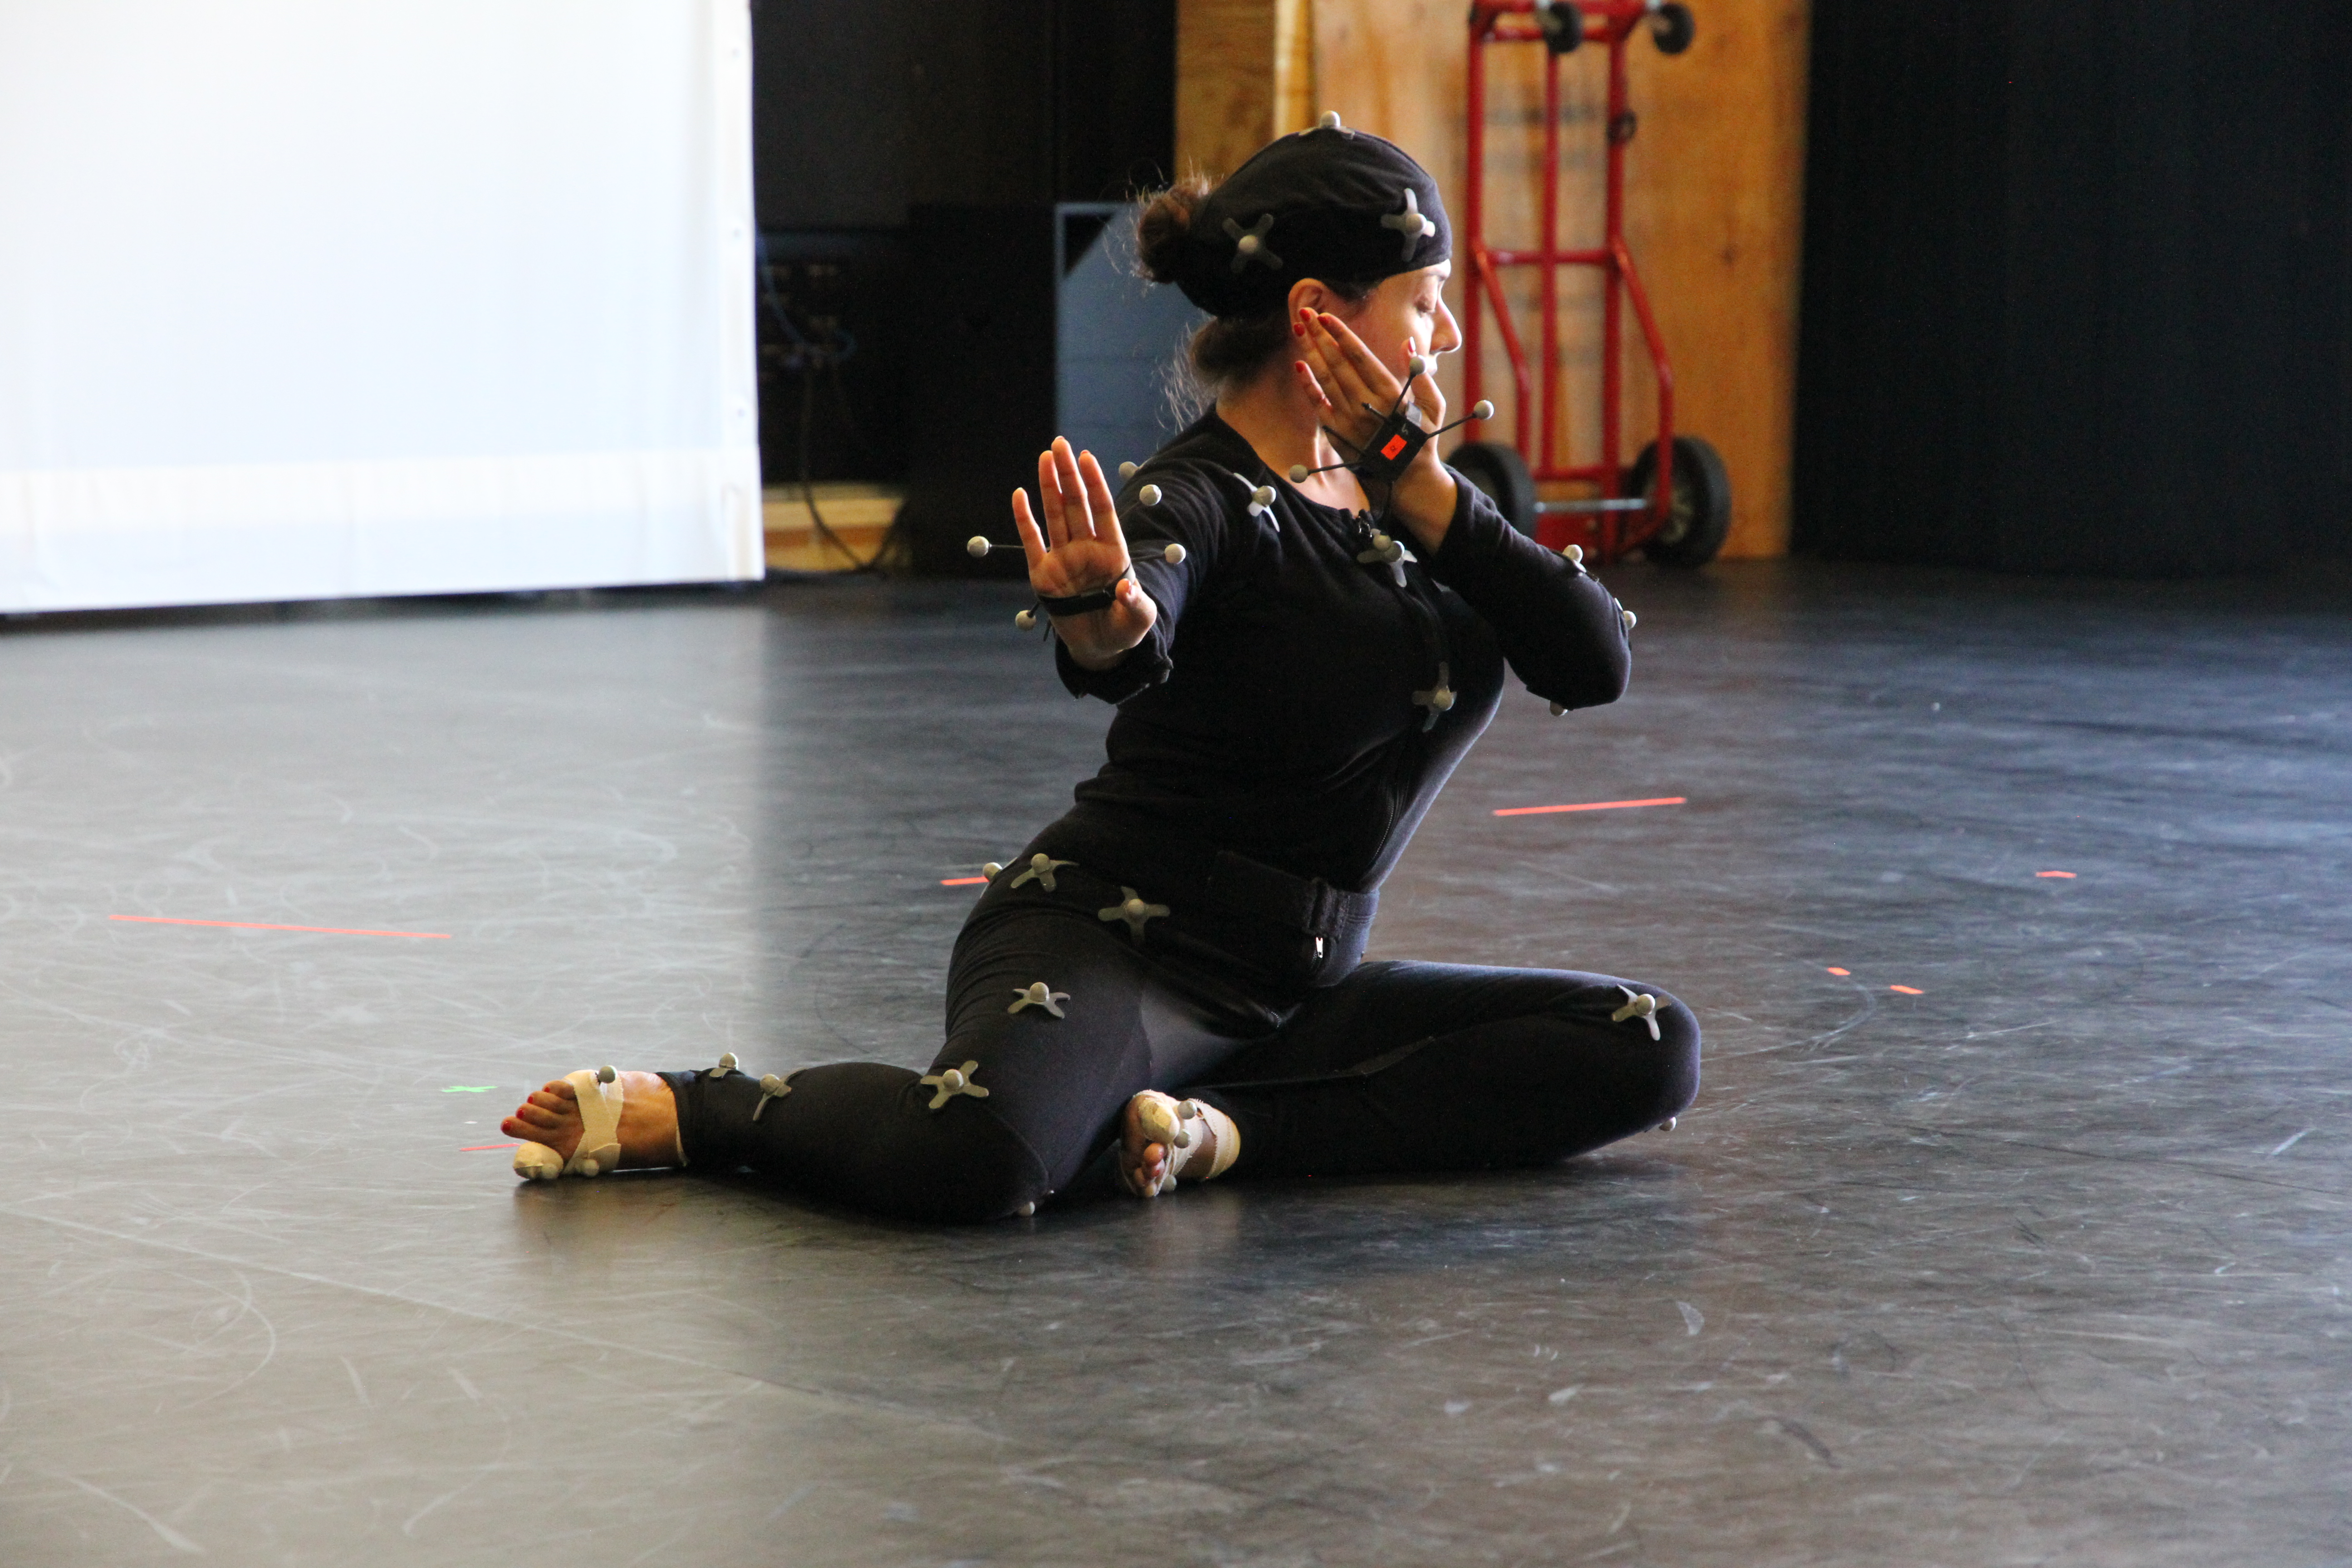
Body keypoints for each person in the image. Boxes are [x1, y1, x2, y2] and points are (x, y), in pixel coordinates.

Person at [501, 118, 1699, 1222]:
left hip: (1296, 992)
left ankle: (1218, 1136)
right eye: (1425, 301)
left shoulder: (1436, 503)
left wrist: (1420, 484)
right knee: (980, 1160)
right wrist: (1104, 625)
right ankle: (707, 1111)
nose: (1443, 332)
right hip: (1121, 947)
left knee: (1644, 1047)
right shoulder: (1197, 495)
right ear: (1320, 316)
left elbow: (1591, 662)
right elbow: (1134, 625)